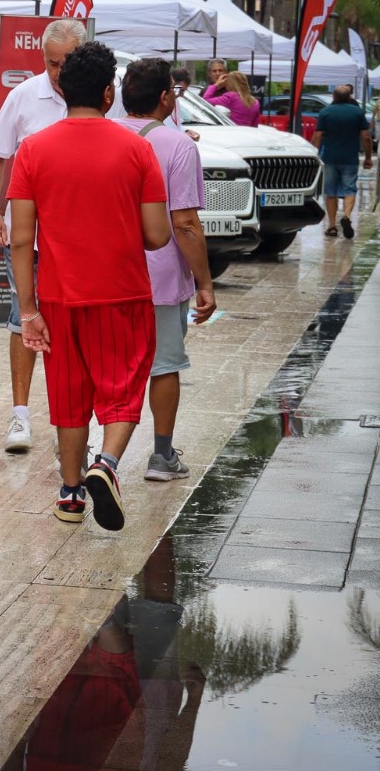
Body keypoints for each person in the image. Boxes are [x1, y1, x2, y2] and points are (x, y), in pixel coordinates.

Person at [8, 41, 172, 530]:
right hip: (122, 293)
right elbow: (157, 235)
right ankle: (108, 464)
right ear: (107, 93)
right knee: (123, 390)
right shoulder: (138, 150)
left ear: (62, 90)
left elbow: (21, 240)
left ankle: (71, 493)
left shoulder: (33, 150)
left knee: (69, 395)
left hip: (58, 296)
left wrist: (29, 310)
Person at [0, 18, 88, 455]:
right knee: (21, 317)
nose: (59, 72)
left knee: (77, 325)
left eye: (67, 62)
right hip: (29, 237)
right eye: (51, 62)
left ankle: (74, 417)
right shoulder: (24, 96)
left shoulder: (102, 98)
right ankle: (20, 414)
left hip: (81, 238)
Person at [113, 58, 217, 482]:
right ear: (164, 98)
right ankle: (161, 456)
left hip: (104, 274)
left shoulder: (101, 136)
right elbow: (185, 223)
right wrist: (205, 282)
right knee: (164, 365)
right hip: (160, 277)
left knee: (106, 366)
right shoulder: (178, 146)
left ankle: (86, 453)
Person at [313, 83, 373, 238]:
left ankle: (332, 226)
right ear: (349, 97)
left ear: (334, 97)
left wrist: (315, 156)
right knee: (349, 189)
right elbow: (366, 137)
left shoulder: (325, 112)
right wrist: (368, 157)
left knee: (330, 192)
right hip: (350, 158)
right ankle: (346, 216)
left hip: (329, 157)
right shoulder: (357, 112)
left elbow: (317, 136)